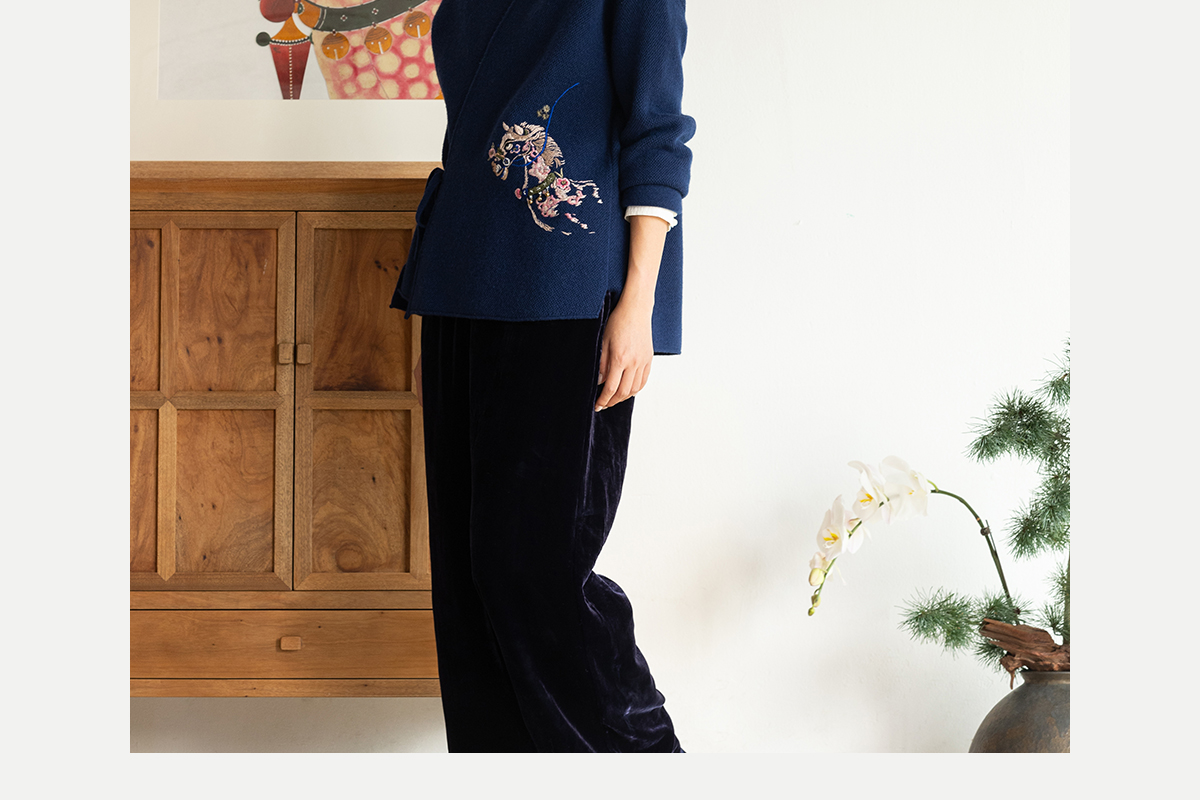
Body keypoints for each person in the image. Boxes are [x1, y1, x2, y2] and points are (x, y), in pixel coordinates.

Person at [389, 0, 696, 753]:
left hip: (565, 290)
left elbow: (657, 129)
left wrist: (638, 306)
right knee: (466, 584)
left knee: (532, 575)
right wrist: (440, 297)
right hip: (461, 288)